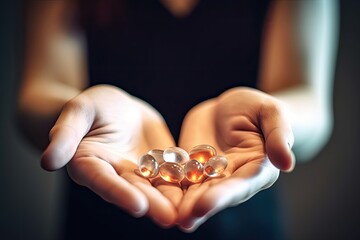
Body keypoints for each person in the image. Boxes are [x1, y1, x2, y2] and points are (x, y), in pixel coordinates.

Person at [17, 0, 339, 239]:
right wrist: (77, 115)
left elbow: (309, 100)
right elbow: (38, 92)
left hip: (242, 208)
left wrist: (273, 119)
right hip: (103, 206)